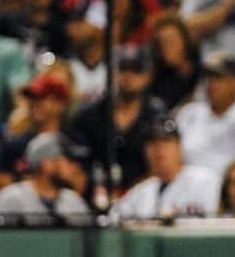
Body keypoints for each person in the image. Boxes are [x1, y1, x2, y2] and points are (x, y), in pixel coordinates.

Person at [69, 44, 167, 193]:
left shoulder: (156, 115)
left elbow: (162, 163)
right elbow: (77, 164)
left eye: (136, 69)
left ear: (148, 76)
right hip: (93, 196)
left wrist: (132, 194)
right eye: (123, 68)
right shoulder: (89, 114)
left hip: (143, 197)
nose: (129, 76)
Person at [174, 52, 235, 181]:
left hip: (228, 190)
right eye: (207, 77)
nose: (211, 83)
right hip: (184, 188)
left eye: (218, 77)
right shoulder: (189, 113)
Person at [111, 116, 219, 220]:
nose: (159, 148)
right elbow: (112, 219)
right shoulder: (140, 192)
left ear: (179, 147)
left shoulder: (206, 180)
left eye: (166, 141)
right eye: (152, 142)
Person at [0, 132, 91, 226]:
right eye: (69, 161)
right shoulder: (11, 200)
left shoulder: (75, 202)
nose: (76, 166)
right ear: (47, 165)